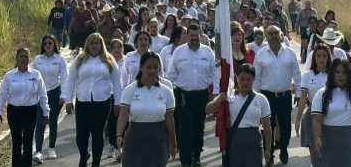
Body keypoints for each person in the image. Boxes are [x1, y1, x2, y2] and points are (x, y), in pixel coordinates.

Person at [62, 33, 122, 167]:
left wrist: (117, 102)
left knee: (98, 133)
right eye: (92, 43)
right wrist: (68, 101)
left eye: (97, 43)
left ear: (101, 45)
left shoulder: (109, 60)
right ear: (87, 45)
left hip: (103, 101)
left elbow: (117, 83)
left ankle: (95, 163)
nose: (94, 45)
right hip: (83, 101)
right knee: (81, 136)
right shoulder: (80, 59)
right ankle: (84, 154)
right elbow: (71, 80)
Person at [166, 23, 218, 167]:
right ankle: (185, 158)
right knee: (185, 127)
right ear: (187, 36)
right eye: (191, 35)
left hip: (202, 95)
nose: (194, 38)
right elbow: (170, 74)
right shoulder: (178, 52)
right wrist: (172, 93)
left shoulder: (208, 52)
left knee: (198, 127)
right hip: (183, 95)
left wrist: (215, 94)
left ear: (200, 35)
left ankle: (196, 155)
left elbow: (214, 74)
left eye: (197, 35)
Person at [116, 51, 177, 167]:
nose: (152, 71)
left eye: (156, 68)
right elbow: (123, 115)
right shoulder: (130, 90)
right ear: (141, 68)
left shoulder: (166, 91)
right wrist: (119, 135)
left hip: (158, 139)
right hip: (135, 139)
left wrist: (173, 143)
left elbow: (170, 119)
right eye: (148, 67)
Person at [253, 25, 302, 166]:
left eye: (276, 33)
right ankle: (270, 152)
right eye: (270, 33)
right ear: (266, 37)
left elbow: (297, 75)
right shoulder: (261, 54)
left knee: (285, 125)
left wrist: (298, 93)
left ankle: (284, 149)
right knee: (268, 126)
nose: (273, 35)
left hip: (285, 95)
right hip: (266, 96)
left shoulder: (290, 53)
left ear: (281, 35)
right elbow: (257, 77)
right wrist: (255, 96)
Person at [206, 63, 272, 166]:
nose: (245, 82)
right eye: (242, 79)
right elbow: (207, 110)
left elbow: (267, 127)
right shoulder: (227, 96)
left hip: (253, 143)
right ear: (236, 78)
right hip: (233, 142)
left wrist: (268, 149)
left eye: (249, 79)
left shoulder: (261, 99)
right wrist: (219, 99)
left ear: (254, 79)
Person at [0, 47, 50, 167]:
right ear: (17, 58)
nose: (24, 59)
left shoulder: (36, 75)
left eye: (26, 57)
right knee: (17, 141)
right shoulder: (9, 76)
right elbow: (2, 95)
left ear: (30, 59)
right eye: (21, 56)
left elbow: (43, 95)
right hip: (14, 112)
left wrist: (46, 112)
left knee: (28, 141)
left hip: (30, 111)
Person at [311, 58, 351, 167]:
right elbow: (316, 120)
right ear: (332, 74)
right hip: (328, 142)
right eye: (337, 72)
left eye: (344, 72)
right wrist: (317, 138)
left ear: (349, 75)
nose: (340, 75)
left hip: (350, 142)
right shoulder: (321, 94)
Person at [31, 35, 68, 163]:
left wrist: (64, 95)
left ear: (54, 45)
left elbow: (64, 78)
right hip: (40, 95)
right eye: (45, 43)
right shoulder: (37, 59)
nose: (47, 45)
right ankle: (39, 151)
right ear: (43, 45)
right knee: (40, 122)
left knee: (52, 121)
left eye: (50, 43)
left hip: (55, 93)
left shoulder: (60, 59)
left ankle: (51, 148)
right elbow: (33, 77)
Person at [295, 44, 332, 166]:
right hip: (312, 112)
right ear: (314, 58)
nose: (321, 59)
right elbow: (303, 97)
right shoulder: (307, 75)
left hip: (331, 112)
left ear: (328, 58)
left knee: (328, 146)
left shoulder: (333, 75)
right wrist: (298, 119)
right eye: (318, 56)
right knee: (313, 145)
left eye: (324, 56)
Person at [106, 38, 126, 160]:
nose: (117, 49)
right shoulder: (108, 61)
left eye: (119, 47)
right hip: (111, 94)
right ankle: (112, 145)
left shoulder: (127, 60)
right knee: (112, 121)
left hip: (124, 94)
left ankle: (121, 148)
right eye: (114, 47)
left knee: (123, 121)